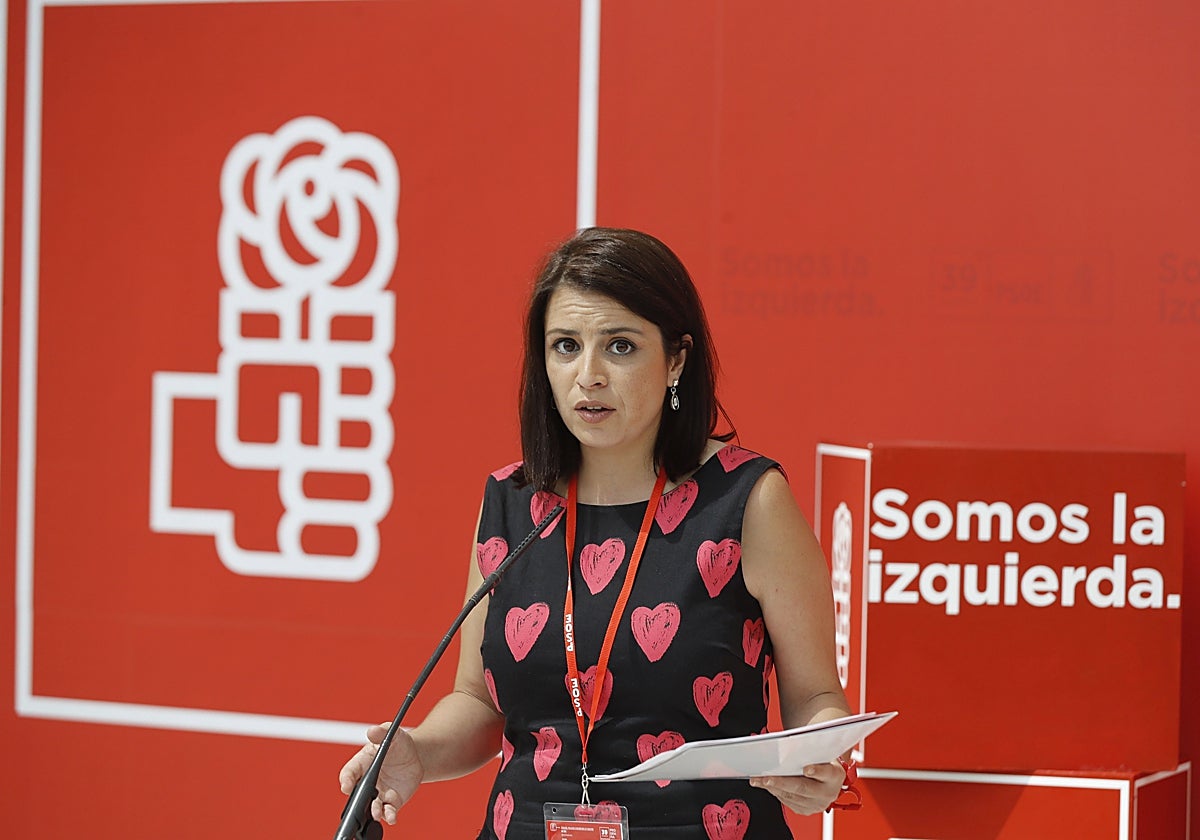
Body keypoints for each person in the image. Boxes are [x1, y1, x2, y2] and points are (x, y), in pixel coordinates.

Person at [339, 227, 856, 838]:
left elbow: (818, 696)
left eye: (620, 347)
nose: (588, 375)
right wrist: (420, 752)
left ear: (677, 360)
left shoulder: (748, 500)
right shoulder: (511, 502)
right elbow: (480, 703)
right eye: (565, 346)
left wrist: (821, 763)